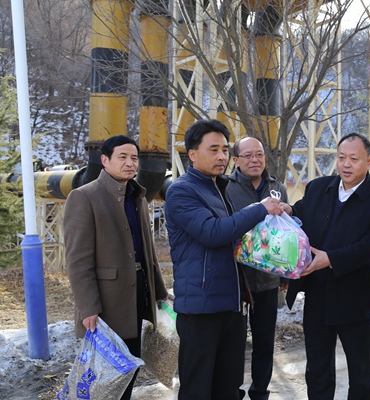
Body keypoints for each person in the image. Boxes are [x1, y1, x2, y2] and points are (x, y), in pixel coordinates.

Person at [165, 119, 284, 400]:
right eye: (213, 149)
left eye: (224, 150)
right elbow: (213, 232)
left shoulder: (219, 187)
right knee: (198, 389)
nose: (221, 156)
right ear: (192, 154)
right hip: (201, 306)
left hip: (230, 303)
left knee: (228, 387)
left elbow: (235, 237)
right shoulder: (182, 190)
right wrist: (259, 209)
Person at [285, 133, 370, 400]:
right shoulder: (318, 187)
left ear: (369, 162)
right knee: (317, 370)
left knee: (361, 372)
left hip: (354, 297)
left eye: (354, 159)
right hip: (317, 294)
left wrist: (330, 259)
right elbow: (301, 212)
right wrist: (287, 211)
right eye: (341, 158)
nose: (346, 164)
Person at [64, 135, 169, 400]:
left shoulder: (138, 196)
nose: (130, 163)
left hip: (136, 294)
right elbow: (78, 260)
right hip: (106, 303)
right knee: (107, 377)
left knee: (129, 368)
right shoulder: (84, 196)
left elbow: (148, 250)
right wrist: (88, 307)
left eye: (134, 158)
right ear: (104, 160)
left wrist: (159, 291)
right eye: (122, 157)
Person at [227, 137, 288, 400]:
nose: (255, 160)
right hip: (236, 280)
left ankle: (260, 392)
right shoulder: (226, 188)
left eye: (259, 155)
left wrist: (284, 272)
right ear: (236, 160)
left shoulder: (277, 188)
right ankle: (233, 392)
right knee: (234, 344)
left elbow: (285, 233)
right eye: (248, 155)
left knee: (265, 341)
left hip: (268, 279)